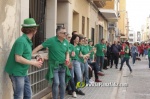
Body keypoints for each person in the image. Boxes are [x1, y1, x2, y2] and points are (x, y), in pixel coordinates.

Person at [4, 18, 43, 99]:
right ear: (33, 30)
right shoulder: (21, 41)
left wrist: (35, 56)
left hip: (23, 72)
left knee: (28, 95)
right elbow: (18, 58)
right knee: (19, 96)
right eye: (36, 28)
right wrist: (34, 63)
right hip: (17, 72)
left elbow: (26, 54)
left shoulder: (27, 41)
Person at [32, 26, 71, 99]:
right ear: (59, 33)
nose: (66, 34)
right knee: (56, 83)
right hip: (54, 66)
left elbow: (67, 52)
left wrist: (67, 58)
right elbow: (40, 47)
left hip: (63, 66)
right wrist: (31, 54)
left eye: (66, 32)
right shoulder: (51, 40)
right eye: (64, 33)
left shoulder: (66, 42)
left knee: (63, 84)